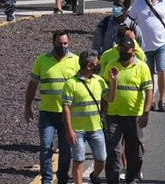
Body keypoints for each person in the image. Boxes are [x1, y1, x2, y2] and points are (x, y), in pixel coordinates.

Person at [24, 30, 79, 184]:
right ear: (53, 43)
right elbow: (33, 84)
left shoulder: (75, 61)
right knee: (46, 147)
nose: (63, 46)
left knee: (66, 150)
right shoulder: (42, 60)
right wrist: (27, 107)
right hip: (47, 113)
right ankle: (47, 179)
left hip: (67, 115)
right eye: (60, 43)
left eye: (65, 43)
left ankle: (62, 178)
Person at [101, 30, 152, 184]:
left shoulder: (142, 67)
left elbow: (149, 91)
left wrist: (146, 113)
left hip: (133, 116)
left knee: (135, 149)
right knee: (114, 150)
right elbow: (104, 90)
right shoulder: (111, 65)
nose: (123, 53)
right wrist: (102, 112)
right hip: (113, 115)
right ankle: (113, 179)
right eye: (121, 50)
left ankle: (132, 177)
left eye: (127, 50)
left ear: (133, 51)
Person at [61, 51, 108, 184]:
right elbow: (66, 108)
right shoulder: (71, 84)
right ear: (88, 66)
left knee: (101, 159)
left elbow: (110, 98)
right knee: (78, 160)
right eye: (96, 63)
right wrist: (69, 130)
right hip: (78, 130)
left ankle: (94, 175)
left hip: (96, 128)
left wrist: (114, 81)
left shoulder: (99, 80)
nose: (98, 65)